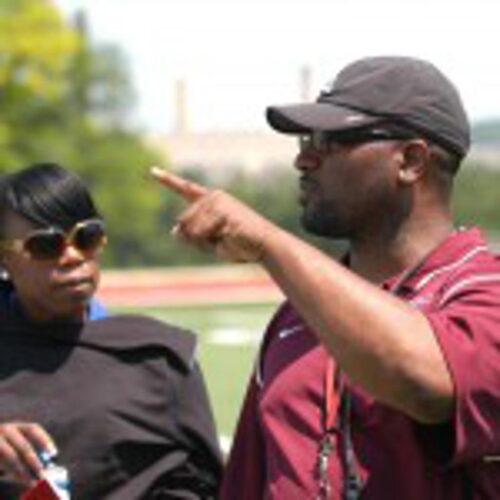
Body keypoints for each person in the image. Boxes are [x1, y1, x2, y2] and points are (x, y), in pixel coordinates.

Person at [151, 56, 500, 499]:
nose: (304, 160)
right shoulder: (297, 316)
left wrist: (269, 243)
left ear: (411, 161)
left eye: (330, 141)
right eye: (304, 140)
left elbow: (425, 384)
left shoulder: (484, 291)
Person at [0, 163, 223, 499]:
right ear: (5, 258)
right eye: (46, 245)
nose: (73, 256)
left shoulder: (159, 356)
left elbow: (202, 484)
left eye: (86, 237)